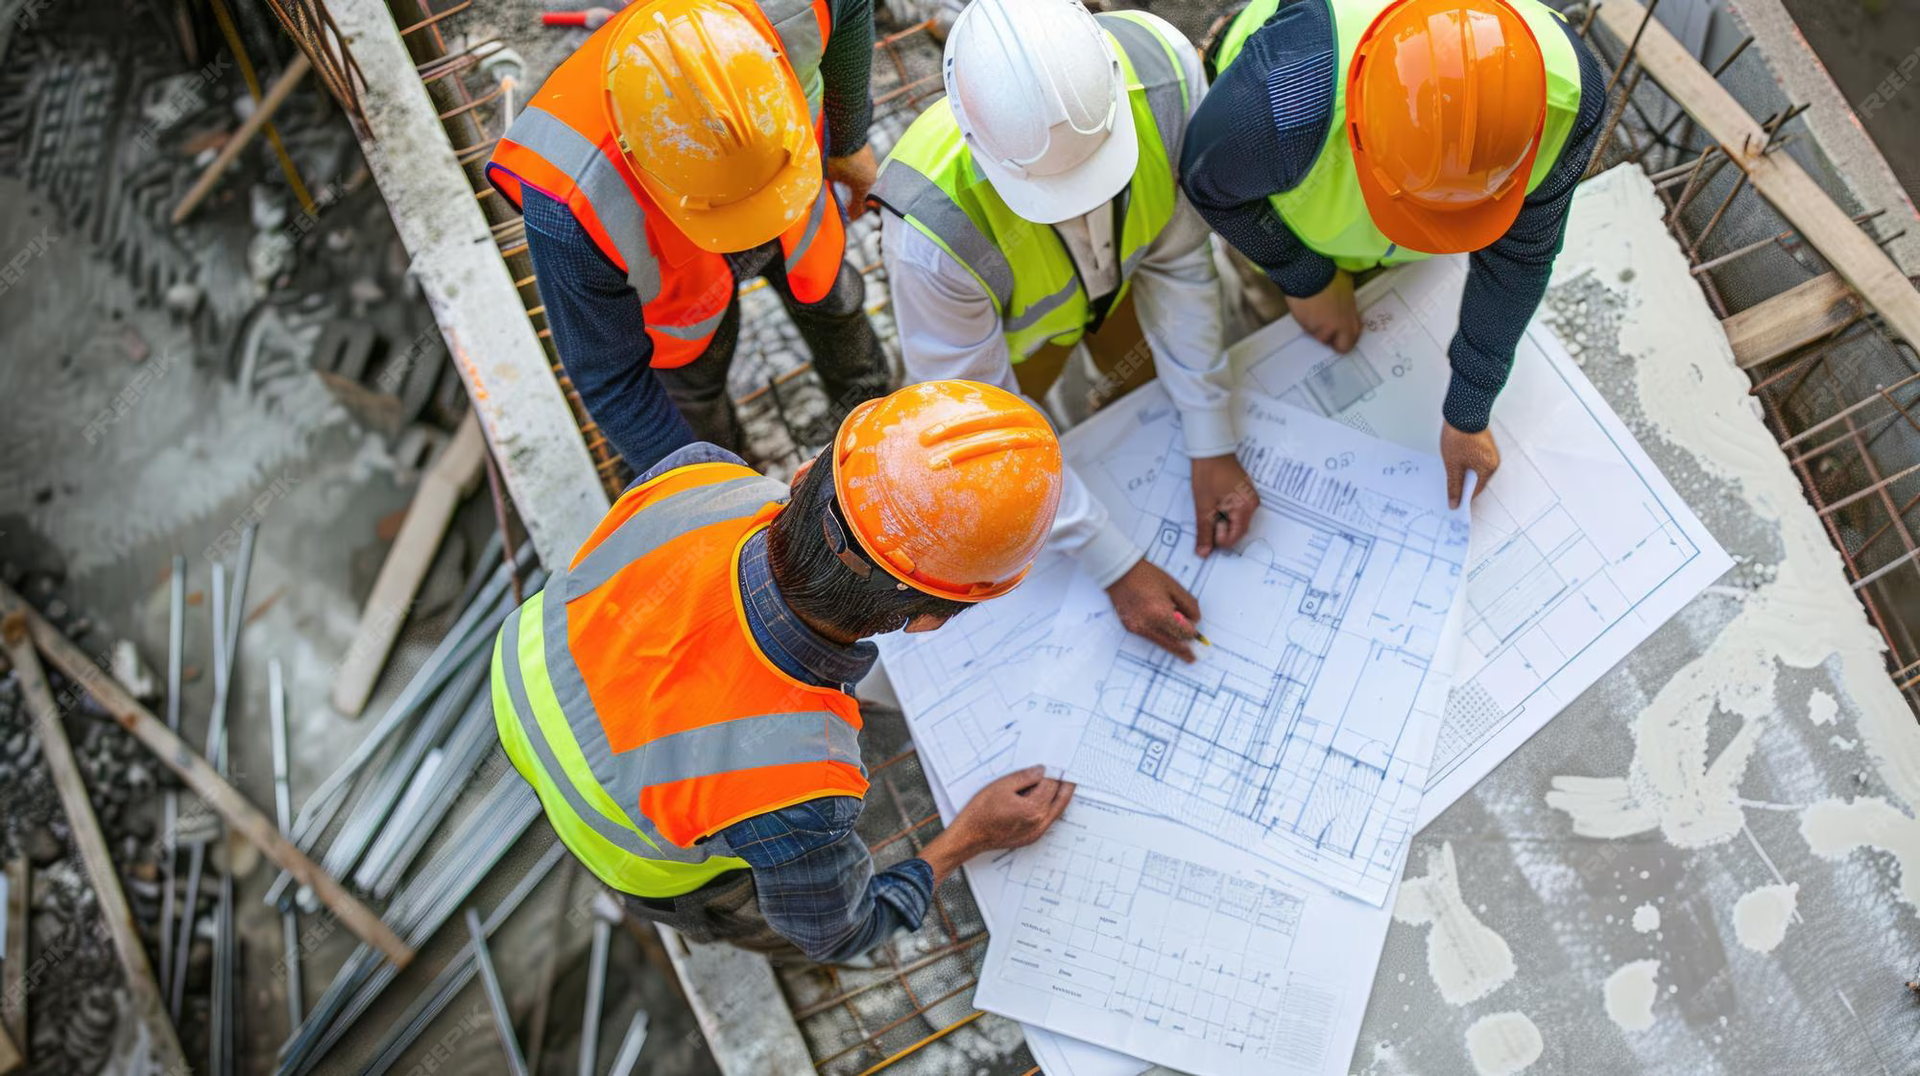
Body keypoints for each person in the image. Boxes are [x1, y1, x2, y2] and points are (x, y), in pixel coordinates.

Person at [491, 380, 1078, 963]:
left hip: (522, 691)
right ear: (927, 621)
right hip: (633, 859)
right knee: (765, 912)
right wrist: (967, 837)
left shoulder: (700, 475)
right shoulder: (802, 785)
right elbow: (839, 933)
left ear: (803, 474)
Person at [872, 0, 1259, 663]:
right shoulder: (931, 232)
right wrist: (1112, 560)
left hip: (1134, 280)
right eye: (1057, 191)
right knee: (1000, 467)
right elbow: (984, 432)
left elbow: (1181, 262)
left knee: (1135, 402)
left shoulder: (1165, 75)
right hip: (1022, 345)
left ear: (1112, 76)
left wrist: (1209, 438)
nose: (1084, 204)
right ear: (973, 139)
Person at [1182, 0, 1606, 506]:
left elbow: (1521, 256)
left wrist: (1469, 408)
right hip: (1283, 216)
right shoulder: (1288, 95)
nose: (1432, 236)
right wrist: (1306, 280)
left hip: (1352, 224)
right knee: (1277, 356)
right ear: (1358, 124)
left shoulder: (1569, 99)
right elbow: (1209, 186)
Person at [486, 0, 892, 472]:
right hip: (682, 296)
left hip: (797, 212)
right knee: (694, 401)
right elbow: (610, 376)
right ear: (637, 162)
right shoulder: (567, 199)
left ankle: (867, 406)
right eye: (734, 211)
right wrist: (707, 491)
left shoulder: (789, 8)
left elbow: (851, 8)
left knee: (832, 302)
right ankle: (730, 465)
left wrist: (849, 140)